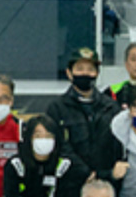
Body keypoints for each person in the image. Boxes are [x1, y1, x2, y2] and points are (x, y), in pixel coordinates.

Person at [47, 47, 119, 182]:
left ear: (97, 73)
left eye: (90, 69)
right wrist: (84, 172)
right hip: (69, 182)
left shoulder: (111, 107)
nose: (85, 73)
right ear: (69, 73)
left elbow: (117, 146)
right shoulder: (57, 108)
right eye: (79, 69)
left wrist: (104, 174)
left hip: (105, 181)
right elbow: (58, 145)